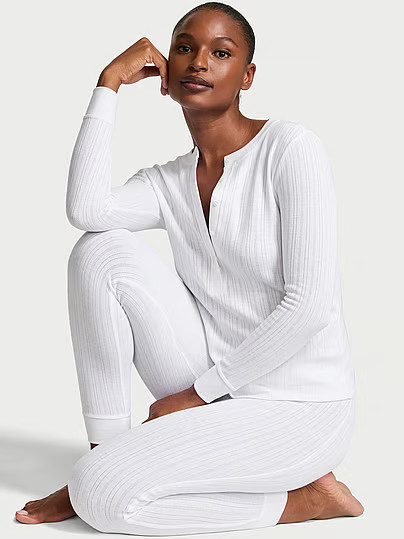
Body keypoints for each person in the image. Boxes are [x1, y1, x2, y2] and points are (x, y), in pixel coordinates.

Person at [15, 1, 364, 534]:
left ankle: (308, 499)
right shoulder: (170, 180)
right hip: (222, 385)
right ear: (166, 71)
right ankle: (105, 455)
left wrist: (196, 395)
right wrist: (108, 84)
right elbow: (85, 210)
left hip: (300, 406)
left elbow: (309, 306)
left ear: (247, 76)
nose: (199, 62)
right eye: (184, 48)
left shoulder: (290, 149)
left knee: (104, 500)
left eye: (221, 53)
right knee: (98, 250)